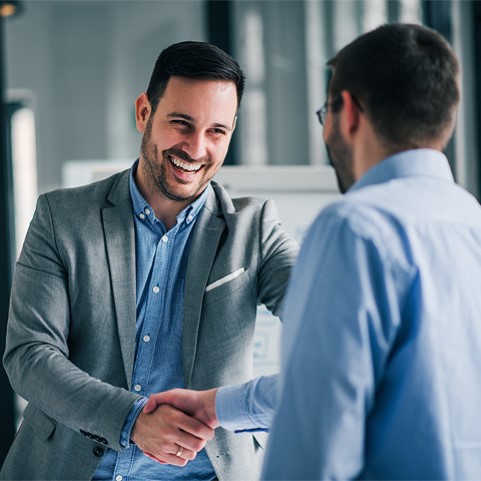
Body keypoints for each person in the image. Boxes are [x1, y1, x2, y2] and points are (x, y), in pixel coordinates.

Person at [147, 23, 481, 480]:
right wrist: (215, 405)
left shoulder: (354, 228)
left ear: (347, 114)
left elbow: (316, 428)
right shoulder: (471, 221)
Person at [0, 41, 298, 481]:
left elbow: (329, 326)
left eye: (217, 132)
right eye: (181, 123)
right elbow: (29, 355)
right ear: (144, 112)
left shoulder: (255, 229)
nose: (196, 149)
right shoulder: (61, 218)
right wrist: (132, 420)